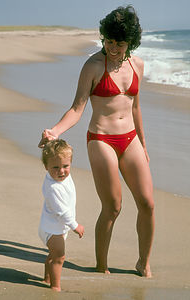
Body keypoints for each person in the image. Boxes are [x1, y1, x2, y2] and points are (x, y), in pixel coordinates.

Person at [39, 5, 154, 278]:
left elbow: (135, 107)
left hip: (131, 139)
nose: (113, 48)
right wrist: (55, 130)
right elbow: (77, 108)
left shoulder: (137, 64)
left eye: (120, 43)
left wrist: (144, 144)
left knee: (148, 203)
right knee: (113, 205)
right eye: (109, 41)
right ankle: (102, 265)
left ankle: (143, 262)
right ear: (104, 37)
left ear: (131, 42)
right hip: (101, 138)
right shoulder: (92, 65)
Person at [38, 139, 84, 291]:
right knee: (59, 257)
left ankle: (47, 278)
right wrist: (74, 225)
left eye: (66, 166)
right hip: (52, 229)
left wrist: (53, 143)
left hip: (56, 226)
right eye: (55, 167)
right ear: (46, 167)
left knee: (52, 254)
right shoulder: (53, 188)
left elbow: (60, 152)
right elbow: (62, 211)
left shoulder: (62, 177)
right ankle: (55, 286)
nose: (61, 171)